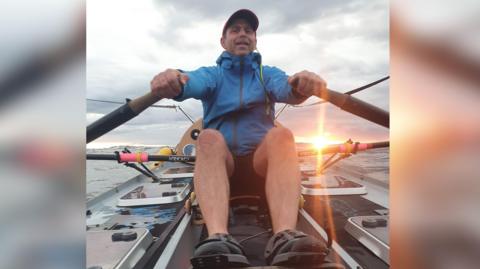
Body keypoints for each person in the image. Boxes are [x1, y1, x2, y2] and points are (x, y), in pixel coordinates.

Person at [151, 9, 332, 268]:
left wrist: (300, 85)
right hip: (224, 166)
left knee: (282, 135)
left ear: (255, 40)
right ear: (223, 41)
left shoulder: (266, 73)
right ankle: (218, 237)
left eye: (248, 30)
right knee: (209, 137)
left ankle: (284, 236)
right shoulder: (212, 74)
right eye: (235, 30)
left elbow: (287, 88)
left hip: (260, 165)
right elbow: (190, 82)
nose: (242, 34)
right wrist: (175, 81)